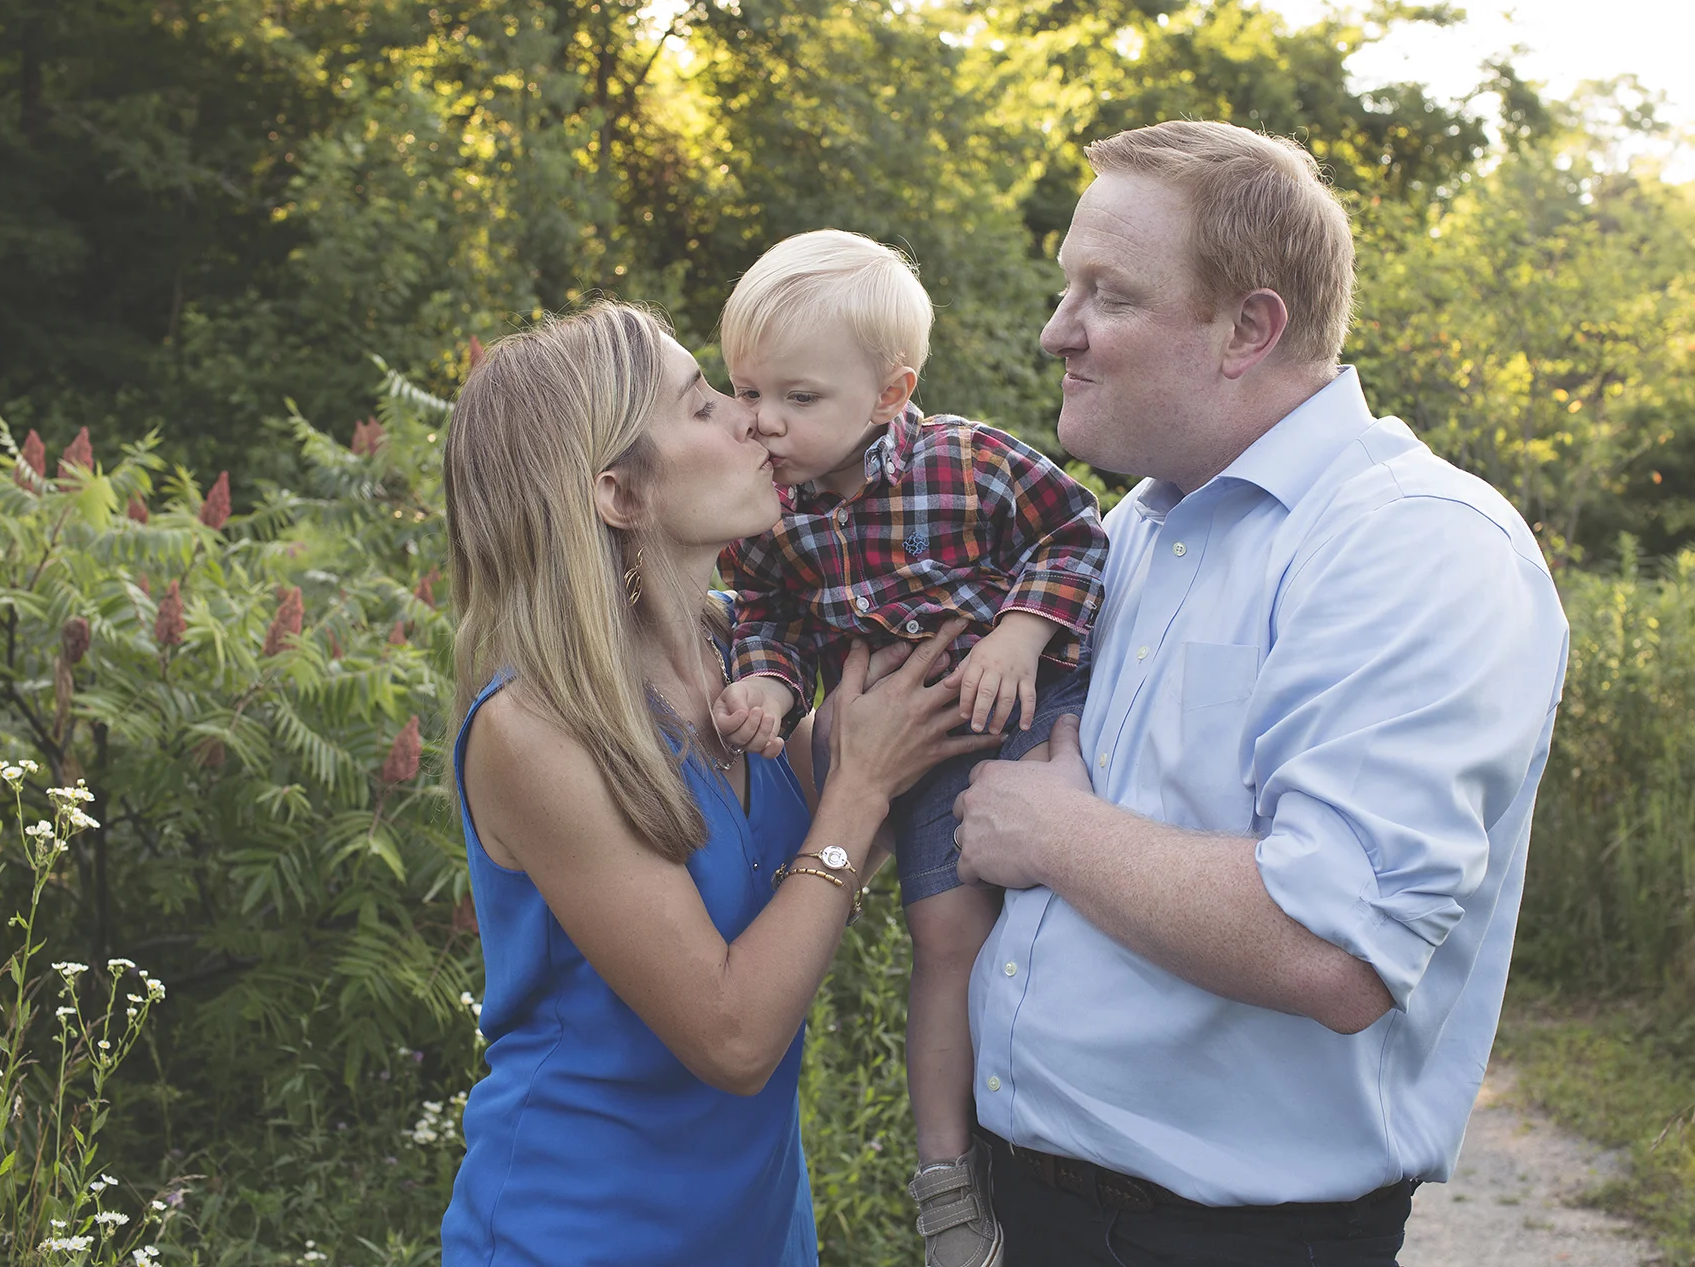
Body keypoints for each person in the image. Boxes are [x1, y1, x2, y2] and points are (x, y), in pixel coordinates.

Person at [950, 120, 1571, 1266]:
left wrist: (1053, 831)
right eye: (1064, 288)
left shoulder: (1411, 543)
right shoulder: (1131, 530)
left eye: (1108, 294)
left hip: (1225, 1243)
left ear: (1249, 327)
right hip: (1031, 1215)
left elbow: (1330, 948)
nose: (1057, 332)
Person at [436, 300, 998, 1266]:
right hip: (578, 1230)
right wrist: (856, 793)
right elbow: (733, 1037)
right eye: (702, 406)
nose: (751, 420)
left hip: (759, 1228)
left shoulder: (749, 653)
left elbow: (875, 771)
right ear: (620, 495)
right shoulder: (533, 729)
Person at [713, 229, 1108, 1267]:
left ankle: (1003, 1154)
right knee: (931, 936)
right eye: (745, 390)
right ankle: (946, 1180)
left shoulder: (965, 460)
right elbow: (766, 613)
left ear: (891, 393)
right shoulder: (772, 512)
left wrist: (1023, 631)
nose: (761, 421)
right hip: (895, 739)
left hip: (1007, 708)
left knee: (978, 935)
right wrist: (765, 676)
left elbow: (1073, 531)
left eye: (798, 398)